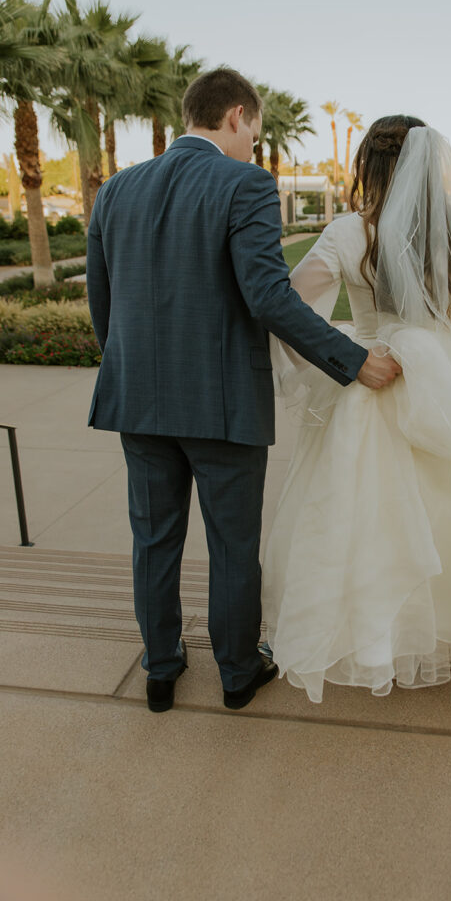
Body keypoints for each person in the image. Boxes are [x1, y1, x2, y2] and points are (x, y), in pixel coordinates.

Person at [86, 69, 401, 714]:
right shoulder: (246, 184)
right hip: (222, 404)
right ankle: (236, 673)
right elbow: (267, 296)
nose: (255, 148)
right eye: (255, 134)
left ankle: (161, 669)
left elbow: (103, 303)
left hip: (137, 400)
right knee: (232, 544)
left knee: (153, 538)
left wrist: (128, 367)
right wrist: (353, 360)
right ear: (236, 116)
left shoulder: (115, 189)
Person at [262, 117, 451, 708]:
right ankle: (447, 639)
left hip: (372, 382)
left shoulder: (349, 233)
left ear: (368, 168)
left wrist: (331, 362)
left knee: (372, 517)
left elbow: (288, 306)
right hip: (450, 390)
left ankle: (379, 645)